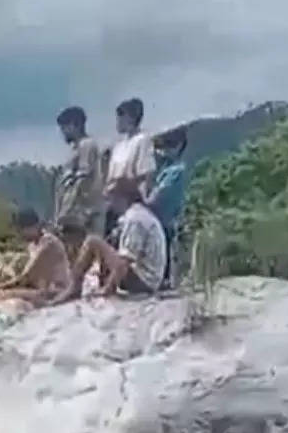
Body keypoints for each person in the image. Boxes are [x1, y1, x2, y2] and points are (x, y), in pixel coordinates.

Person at [54, 178, 166, 304]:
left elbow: (125, 261)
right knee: (105, 244)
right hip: (148, 278)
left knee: (93, 241)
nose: (110, 204)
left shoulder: (135, 219)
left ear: (123, 198)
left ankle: (74, 287)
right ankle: (77, 285)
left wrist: (108, 289)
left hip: (145, 280)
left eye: (112, 199)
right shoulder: (137, 215)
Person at [53, 106, 105, 258]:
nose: (62, 132)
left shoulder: (87, 145)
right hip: (71, 217)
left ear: (75, 125)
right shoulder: (75, 148)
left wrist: (67, 211)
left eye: (64, 127)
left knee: (81, 258)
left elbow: (82, 180)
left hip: (81, 216)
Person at [104, 98, 157, 238]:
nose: (118, 121)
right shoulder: (118, 146)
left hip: (132, 200)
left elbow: (146, 173)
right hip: (114, 202)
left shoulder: (142, 140)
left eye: (121, 117)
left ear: (130, 117)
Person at [0, 208, 72, 304]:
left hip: (58, 291)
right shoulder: (33, 245)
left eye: (21, 230)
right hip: (44, 290)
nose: (19, 234)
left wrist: (0, 287)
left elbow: (26, 275)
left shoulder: (48, 243)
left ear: (34, 227)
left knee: (4, 295)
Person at [148, 127, 189, 287]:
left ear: (179, 146)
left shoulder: (176, 170)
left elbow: (158, 195)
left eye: (168, 146)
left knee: (164, 251)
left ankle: (165, 282)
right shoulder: (165, 167)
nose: (164, 151)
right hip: (159, 219)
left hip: (167, 219)